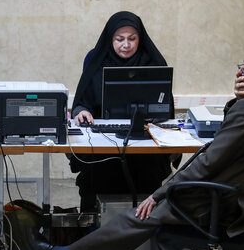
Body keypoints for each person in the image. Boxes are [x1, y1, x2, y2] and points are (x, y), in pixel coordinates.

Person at [26, 35, 244, 250]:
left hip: (227, 202)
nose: (241, 73)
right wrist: (240, 100)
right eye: (242, 65)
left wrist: (160, 194)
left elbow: (210, 162)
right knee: (151, 212)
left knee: (143, 213)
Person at [70, 11, 177, 212]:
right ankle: (94, 227)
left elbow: (165, 105)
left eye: (132, 39)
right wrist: (82, 111)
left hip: (143, 140)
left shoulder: (152, 59)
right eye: (119, 39)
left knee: (147, 171)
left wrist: (154, 114)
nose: (126, 45)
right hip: (103, 141)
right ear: (110, 38)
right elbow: (82, 101)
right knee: (96, 175)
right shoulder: (97, 58)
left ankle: (144, 228)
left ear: (140, 38)